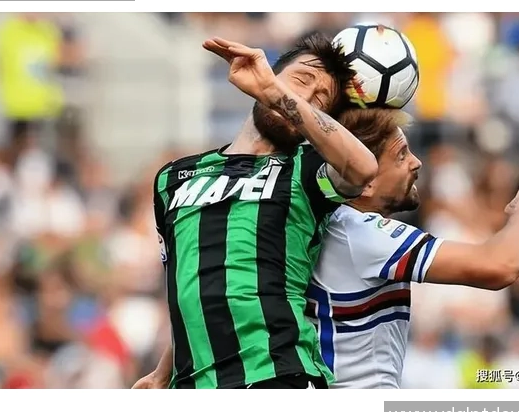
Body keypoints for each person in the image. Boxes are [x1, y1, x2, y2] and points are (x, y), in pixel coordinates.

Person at [134, 33, 378, 389]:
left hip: (277, 374)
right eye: (301, 80)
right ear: (272, 73)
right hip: (193, 384)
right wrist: (162, 372)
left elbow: (363, 169)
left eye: (319, 100)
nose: (304, 97)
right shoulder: (172, 178)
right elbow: (192, 288)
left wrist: (276, 93)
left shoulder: (309, 169)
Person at [304, 108, 519, 389]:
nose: (416, 162)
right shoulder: (360, 234)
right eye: (401, 155)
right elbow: (501, 266)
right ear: (365, 180)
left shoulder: (335, 224)